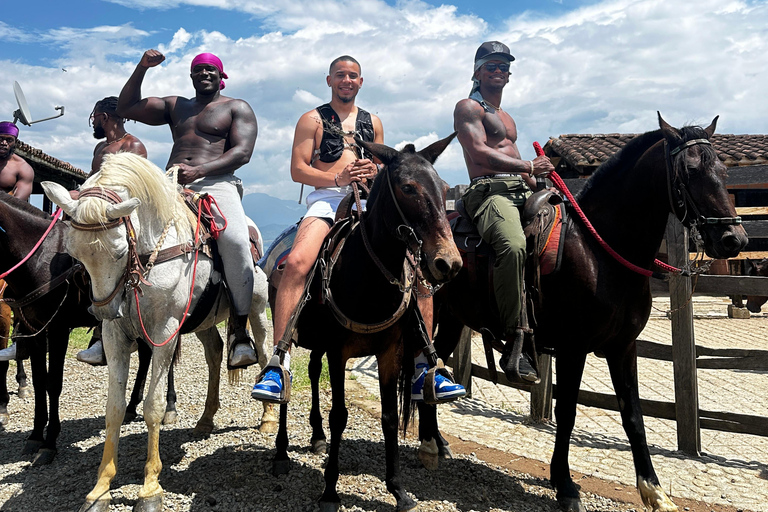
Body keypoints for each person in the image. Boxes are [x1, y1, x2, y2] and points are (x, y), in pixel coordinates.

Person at [251, 56, 465, 404]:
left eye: (352, 76)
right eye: (340, 76)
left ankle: (425, 364)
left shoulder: (372, 122)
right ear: (329, 80)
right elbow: (298, 169)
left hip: (371, 201)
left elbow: (388, 170)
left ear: (361, 82)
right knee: (297, 263)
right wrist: (339, 177)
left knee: (417, 269)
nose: (346, 81)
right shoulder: (312, 119)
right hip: (326, 200)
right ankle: (279, 361)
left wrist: (374, 172)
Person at [116, 49, 260, 368]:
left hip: (217, 183)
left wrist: (200, 171)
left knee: (235, 240)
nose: (204, 74)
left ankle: (239, 331)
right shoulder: (175, 106)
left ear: (221, 76)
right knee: (123, 229)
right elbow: (125, 107)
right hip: (170, 184)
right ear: (191, 76)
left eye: (210, 69)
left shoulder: (236, 107)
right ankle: (109, 324)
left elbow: (242, 152)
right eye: (198, 70)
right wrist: (142, 67)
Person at [453, 41, 555, 383]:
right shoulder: (469, 108)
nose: (499, 71)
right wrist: (526, 163)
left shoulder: (507, 117)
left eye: (504, 67)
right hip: (489, 190)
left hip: (520, 187)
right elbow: (479, 152)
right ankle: (515, 338)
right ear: (478, 71)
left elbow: (512, 157)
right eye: (492, 65)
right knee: (512, 246)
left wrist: (536, 177)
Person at [75, 97, 149, 365]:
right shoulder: (100, 147)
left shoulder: (133, 145)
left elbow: (135, 186)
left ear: (103, 116)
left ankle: (104, 335)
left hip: (123, 215)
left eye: (94, 116)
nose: (93, 121)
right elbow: (92, 181)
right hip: (97, 213)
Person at [0, 121, 34, 362]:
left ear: (15, 143)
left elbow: (16, 204)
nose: (3, 142)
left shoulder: (22, 168)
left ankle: (24, 326)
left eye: (8, 140)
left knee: (27, 277)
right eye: (0, 138)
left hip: (7, 226)